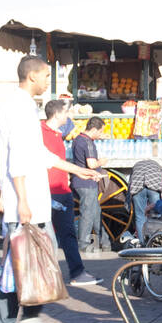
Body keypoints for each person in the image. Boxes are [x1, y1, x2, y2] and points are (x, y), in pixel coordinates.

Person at [0, 55, 100, 323]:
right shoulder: (18, 108)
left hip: (30, 199)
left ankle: (18, 319)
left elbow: (38, 154)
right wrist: (22, 200)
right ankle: (13, 321)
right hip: (25, 202)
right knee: (21, 263)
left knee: (31, 258)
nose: (46, 83)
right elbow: (16, 157)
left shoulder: (26, 107)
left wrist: (77, 169)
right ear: (32, 77)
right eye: (44, 77)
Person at [40, 101, 100, 286]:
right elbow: (51, 161)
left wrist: (78, 172)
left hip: (59, 190)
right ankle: (60, 275)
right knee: (51, 236)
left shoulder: (55, 134)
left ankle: (73, 272)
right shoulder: (41, 134)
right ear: (57, 114)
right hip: (51, 191)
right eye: (66, 113)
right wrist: (80, 171)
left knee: (62, 234)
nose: (68, 117)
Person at [70, 117, 105, 252]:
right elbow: (91, 164)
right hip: (87, 182)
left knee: (96, 212)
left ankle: (105, 241)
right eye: (100, 131)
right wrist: (101, 161)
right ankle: (83, 244)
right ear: (94, 129)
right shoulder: (88, 142)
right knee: (88, 213)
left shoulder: (77, 139)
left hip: (79, 181)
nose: (100, 134)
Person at [128, 159, 162, 243]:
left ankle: (142, 244)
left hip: (137, 185)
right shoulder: (157, 165)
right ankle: (155, 243)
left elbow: (130, 180)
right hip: (154, 184)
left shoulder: (137, 165)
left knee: (140, 217)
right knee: (156, 216)